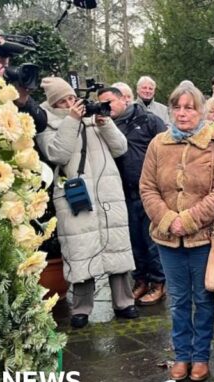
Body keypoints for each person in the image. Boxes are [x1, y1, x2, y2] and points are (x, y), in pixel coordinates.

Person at [140, 84, 214, 382]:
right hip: (166, 239)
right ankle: (181, 355)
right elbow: (147, 187)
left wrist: (189, 220)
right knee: (177, 299)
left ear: (201, 110)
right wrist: (167, 219)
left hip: (204, 238)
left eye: (189, 107)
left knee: (203, 298)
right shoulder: (158, 144)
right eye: (178, 107)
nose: (183, 113)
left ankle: (201, 356)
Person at [36, 77, 139, 329]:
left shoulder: (93, 118)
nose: (71, 103)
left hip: (107, 192)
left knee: (116, 247)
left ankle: (124, 302)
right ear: (53, 103)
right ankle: (81, 308)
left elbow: (120, 148)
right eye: (63, 100)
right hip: (76, 196)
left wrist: (105, 124)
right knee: (81, 250)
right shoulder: (46, 123)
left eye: (72, 98)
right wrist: (71, 120)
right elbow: (57, 154)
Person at [97, 87, 168, 307]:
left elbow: (164, 151)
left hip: (149, 191)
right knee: (133, 240)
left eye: (108, 102)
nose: (105, 108)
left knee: (151, 241)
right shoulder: (106, 125)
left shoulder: (148, 120)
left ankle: (158, 283)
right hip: (123, 192)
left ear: (123, 100)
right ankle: (140, 280)